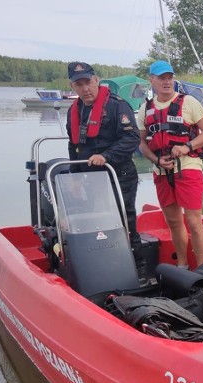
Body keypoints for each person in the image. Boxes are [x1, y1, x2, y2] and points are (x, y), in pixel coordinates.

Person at [137, 60, 203, 269]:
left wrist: (187, 146)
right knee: (173, 221)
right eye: (161, 78)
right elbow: (142, 144)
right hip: (161, 171)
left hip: (188, 166)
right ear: (151, 80)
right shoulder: (145, 108)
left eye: (169, 77)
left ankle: (201, 269)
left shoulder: (188, 102)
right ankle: (182, 265)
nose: (166, 82)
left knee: (193, 221)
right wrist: (156, 160)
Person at [65, 61, 142, 257]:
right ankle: (101, 258)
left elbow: (132, 138)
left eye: (88, 82)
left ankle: (137, 261)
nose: (85, 88)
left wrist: (106, 156)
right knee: (95, 220)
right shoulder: (73, 111)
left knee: (125, 218)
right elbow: (73, 144)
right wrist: (74, 177)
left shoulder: (117, 105)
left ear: (97, 80)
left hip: (119, 174)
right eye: (79, 84)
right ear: (72, 86)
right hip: (91, 177)